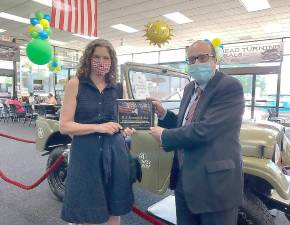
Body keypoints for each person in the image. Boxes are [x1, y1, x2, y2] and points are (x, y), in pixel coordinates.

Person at [149, 40, 245, 225]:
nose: (196, 63)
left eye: (202, 58)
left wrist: (164, 136)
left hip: (215, 184)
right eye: (191, 59)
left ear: (214, 59)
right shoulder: (189, 88)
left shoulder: (229, 87)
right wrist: (164, 114)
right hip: (185, 179)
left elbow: (206, 130)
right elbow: (186, 123)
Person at [59, 39, 135, 225]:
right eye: (96, 57)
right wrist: (97, 127)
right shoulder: (75, 84)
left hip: (115, 152)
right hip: (86, 154)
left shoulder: (118, 87)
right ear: (88, 58)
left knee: (114, 207)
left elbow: (123, 121)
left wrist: (127, 128)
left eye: (106, 58)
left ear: (112, 61)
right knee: (87, 209)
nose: (101, 62)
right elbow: (64, 125)